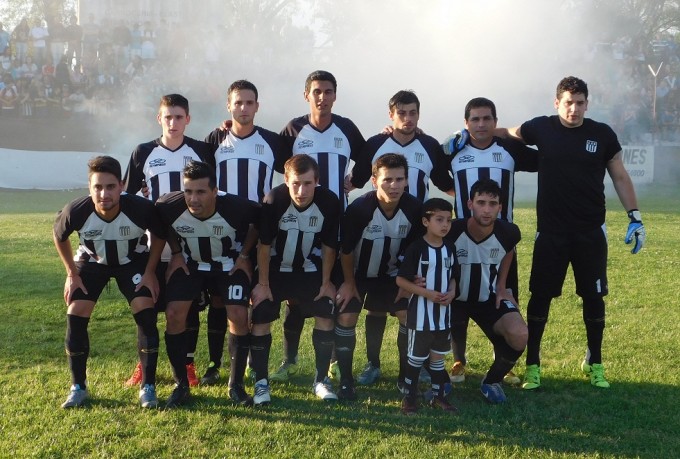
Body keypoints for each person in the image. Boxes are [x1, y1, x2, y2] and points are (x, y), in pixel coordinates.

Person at [495, 76, 646, 390]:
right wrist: (470, 133)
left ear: (587, 104)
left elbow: (619, 175)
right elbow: (508, 132)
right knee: (541, 298)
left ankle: (595, 362)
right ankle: (533, 364)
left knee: (593, 298)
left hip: (590, 232)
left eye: (579, 103)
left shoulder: (602, 135)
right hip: (551, 232)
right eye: (568, 102)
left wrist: (635, 217)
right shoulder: (541, 127)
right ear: (557, 103)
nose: (574, 109)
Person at [271, 70, 366, 383]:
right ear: (306, 96)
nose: (322, 97)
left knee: (334, 294)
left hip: (335, 225)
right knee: (294, 297)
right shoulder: (293, 129)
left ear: (335, 96)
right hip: (299, 224)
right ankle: (290, 360)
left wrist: (356, 181)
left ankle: (333, 362)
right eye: (316, 92)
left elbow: (366, 159)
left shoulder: (347, 128)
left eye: (328, 92)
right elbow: (281, 165)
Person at [53, 156, 165, 409]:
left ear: (122, 185)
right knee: (75, 312)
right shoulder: (77, 210)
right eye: (98, 187)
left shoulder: (140, 208)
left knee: (146, 311)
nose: (104, 194)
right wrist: (72, 272)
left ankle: (148, 386)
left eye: (110, 187)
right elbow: (59, 235)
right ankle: (78, 387)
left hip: (133, 261)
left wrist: (149, 271)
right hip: (93, 262)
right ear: (90, 187)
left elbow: (159, 236)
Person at [200, 79, 289, 388]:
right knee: (219, 299)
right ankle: (213, 364)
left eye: (249, 103)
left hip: (260, 229)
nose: (243, 108)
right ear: (229, 106)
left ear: (257, 106)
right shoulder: (216, 139)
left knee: (257, 295)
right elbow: (198, 178)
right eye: (238, 103)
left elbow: (297, 167)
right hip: (221, 229)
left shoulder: (272, 141)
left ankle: (252, 361)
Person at [122, 94, 214, 388]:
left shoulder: (201, 150)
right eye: (167, 117)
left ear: (188, 119)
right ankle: (144, 362)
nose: (173, 123)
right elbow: (129, 196)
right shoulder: (143, 152)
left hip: (191, 242)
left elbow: (213, 189)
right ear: (158, 119)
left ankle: (187, 365)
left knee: (185, 307)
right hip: (153, 242)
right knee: (146, 305)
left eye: (178, 117)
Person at [444, 97, 538, 385]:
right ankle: (459, 359)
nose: (481, 124)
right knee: (457, 298)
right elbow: (431, 170)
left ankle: (504, 362)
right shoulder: (453, 151)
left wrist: (510, 133)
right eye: (475, 119)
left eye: (487, 119)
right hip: (463, 239)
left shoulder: (509, 149)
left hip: (501, 242)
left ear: (495, 123)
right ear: (466, 123)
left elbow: (543, 159)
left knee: (505, 295)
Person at [155, 161, 259, 408]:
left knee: (238, 315)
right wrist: (177, 252)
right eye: (188, 191)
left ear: (215, 191)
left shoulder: (236, 206)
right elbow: (163, 222)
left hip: (229, 264)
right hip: (191, 264)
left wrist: (245, 256)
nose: (193, 198)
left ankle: (235, 385)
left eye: (201, 192)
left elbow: (259, 223)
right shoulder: (169, 205)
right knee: (173, 314)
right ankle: (181, 384)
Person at [251, 154, 342, 401]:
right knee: (260, 314)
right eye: (295, 184)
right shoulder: (275, 200)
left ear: (317, 181)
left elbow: (329, 247)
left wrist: (326, 283)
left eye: (308, 184)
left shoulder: (329, 202)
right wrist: (263, 284)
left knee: (325, 312)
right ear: (286, 180)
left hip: (311, 270)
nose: (301, 191)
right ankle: (261, 383)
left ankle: (321, 381)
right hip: (276, 272)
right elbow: (264, 246)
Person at [335, 153, 423, 398]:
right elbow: (346, 249)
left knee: (407, 314)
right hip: (358, 274)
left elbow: (416, 251)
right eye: (387, 180)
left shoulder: (415, 209)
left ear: (407, 180)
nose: (394, 186)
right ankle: (348, 379)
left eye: (399, 179)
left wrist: (407, 284)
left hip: (392, 275)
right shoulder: (360, 208)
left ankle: (406, 377)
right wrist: (350, 284)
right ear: (374, 181)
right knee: (347, 316)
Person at [446, 178, 528, 403]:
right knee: (428, 334)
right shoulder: (451, 230)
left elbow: (508, 251)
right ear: (469, 203)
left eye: (493, 204)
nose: (487, 209)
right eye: (481, 202)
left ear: (501, 207)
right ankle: (438, 380)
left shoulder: (509, 232)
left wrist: (502, 286)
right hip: (453, 299)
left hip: (487, 299)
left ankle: (491, 381)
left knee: (520, 334)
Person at [396, 198, 457, 415]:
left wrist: (452, 292)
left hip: (442, 317)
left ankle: (438, 397)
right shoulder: (417, 248)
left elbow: (453, 277)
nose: (445, 225)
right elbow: (401, 281)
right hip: (420, 316)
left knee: (438, 359)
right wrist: (427, 294)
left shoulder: (450, 247)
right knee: (415, 360)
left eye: (448, 220)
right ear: (425, 221)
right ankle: (409, 398)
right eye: (439, 220)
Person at [350, 90, 452, 202]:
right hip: (380, 218)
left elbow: (446, 185)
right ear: (391, 115)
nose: (408, 119)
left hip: (417, 218)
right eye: (401, 113)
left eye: (412, 113)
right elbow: (354, 181)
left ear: (419, 115)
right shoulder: (375, 144)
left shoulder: (430, 146)